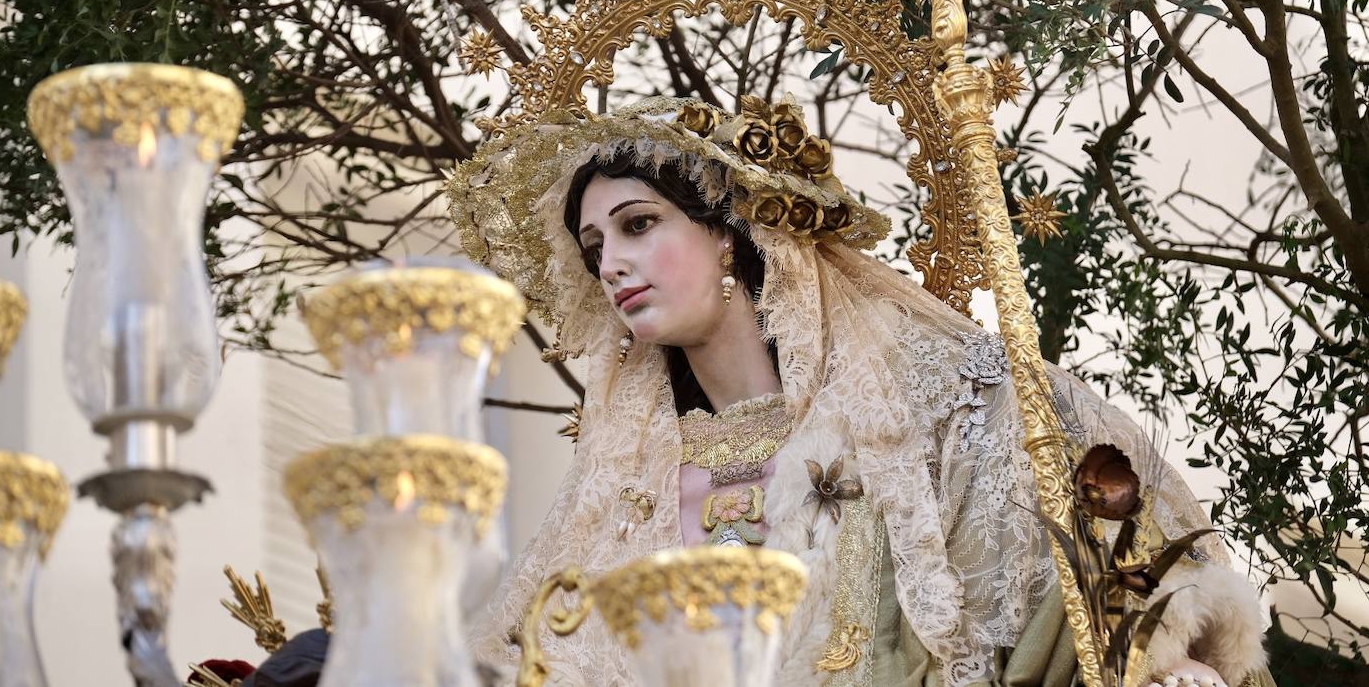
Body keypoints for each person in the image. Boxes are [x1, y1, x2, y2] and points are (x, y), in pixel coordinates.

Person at [446, 95, 1272, 687]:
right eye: (594, 246)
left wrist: (1148, 649)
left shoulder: (907, 420)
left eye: (637, 224)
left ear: (729, 236)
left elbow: (1085, 526)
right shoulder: (634, 480)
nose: (611, 265)